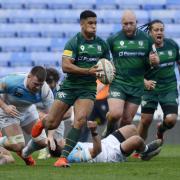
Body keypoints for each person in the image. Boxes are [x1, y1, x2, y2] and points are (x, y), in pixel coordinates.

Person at [31, 10, 111, 167]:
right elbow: (65, 66)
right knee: (51, 124)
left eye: (95, 23)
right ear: (82, 24)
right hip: (69, 86)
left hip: (88, 88)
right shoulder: (73, 42)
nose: (94, 26)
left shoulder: (102, 44)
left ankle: (64, 158)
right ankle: (43, 122)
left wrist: (107, 74)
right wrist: (88, 71)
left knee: (80, 120)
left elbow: (108, 66)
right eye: (90, 23)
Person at [103, 10, 160, 137]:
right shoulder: (113, 39)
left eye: (131, 23)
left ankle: (115, 144)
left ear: (136, 23)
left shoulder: (147, 39)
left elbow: (155, 60)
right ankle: (108, 130)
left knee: (127, 120)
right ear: (121, 24)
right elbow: (104, 59)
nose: (128, 26)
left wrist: (155, 61)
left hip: (136, 85)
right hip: (118, 82)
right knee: (115, 114)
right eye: (125, 24)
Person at [0, 66, 54, 165]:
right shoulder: (12, 81)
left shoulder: (45, 90)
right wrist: (5, 107)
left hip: (28, 110)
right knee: (18, 145)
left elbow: (52, 116)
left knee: (43, 142)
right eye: (35, 84)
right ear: (29, 77)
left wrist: (50, 135)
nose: (37, 87)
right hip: (8, 111)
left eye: (40, 85)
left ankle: (25, 154)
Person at [137, 20, 180, 142]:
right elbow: (134, 72)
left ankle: (161, 129)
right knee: (145, 120)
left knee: (171, 120)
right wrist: (144, 81)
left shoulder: (172, 45)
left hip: (169, 89)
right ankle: (139, 148)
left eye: (161, 30)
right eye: (156, 30)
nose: (159, 32)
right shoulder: (143, 49)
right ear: (150, 32)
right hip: (150, 89)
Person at [47, 121, 162, 163]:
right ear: (59, 148)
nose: (61, 139)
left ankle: (139, 149)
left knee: (131, 128)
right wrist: (94, 132)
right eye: (59, 141)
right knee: (137, 140)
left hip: (106, 143)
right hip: (110, 154)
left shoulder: (68, 148)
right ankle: (145, 151)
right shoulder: (73, 155)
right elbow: (97, 151)